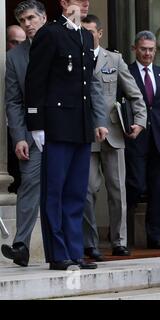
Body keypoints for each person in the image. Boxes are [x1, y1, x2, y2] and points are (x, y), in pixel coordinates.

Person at [25, 0, 108, 271]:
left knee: (76, 193)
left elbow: (88, 84)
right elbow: (35, 80)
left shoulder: (85, 35)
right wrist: (36, 123)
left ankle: (75, 251)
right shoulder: (49, 33)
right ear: (63, 3)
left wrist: (95, 120)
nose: (85, 3)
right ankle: (58, 253)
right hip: (56, 123)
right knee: (55, 192)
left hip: (80, 124)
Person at [81, 15, 147, 261]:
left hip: (115, 132)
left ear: (100, 33)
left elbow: (135, 94)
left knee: (117, 190)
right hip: (86, 134)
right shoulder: (74, 57)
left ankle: (120, 241)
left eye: (91, 32)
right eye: (83, 31)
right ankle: (90, 243)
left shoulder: (115, 59)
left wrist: (140, 121)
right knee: (88, 190)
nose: (87, 36)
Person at [1, 0, 47, 267]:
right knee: (29, 186)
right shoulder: (15, 57)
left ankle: (83, 246)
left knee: (77, 190)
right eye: (22, 21)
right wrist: (18, 136)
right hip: (30, 137)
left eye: (31, 18)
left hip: (64, 133)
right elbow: (13, 101)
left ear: (43, 18)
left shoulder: (61, 44)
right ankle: (21, 246)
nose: (28, 24)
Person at [126, 31, 160, 249]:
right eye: (143, 49)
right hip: (133, 140)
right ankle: (123, 235)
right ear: (135, 49)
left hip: (159, 141)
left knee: (157, 190)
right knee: (134, 185)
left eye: (151, 49)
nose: (147, 53)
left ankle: (154, 238)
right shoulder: (125, 72)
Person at [6, 25, 27, 194]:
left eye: (22, 42)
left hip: (22, 128)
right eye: (14, 42)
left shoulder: (28, 63)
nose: (18, 46)